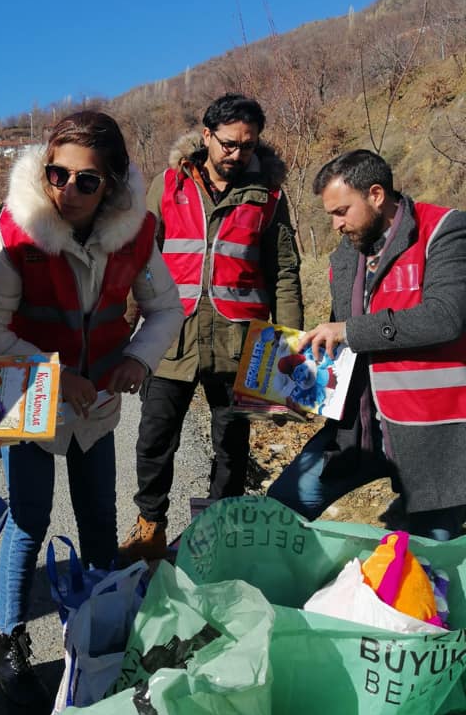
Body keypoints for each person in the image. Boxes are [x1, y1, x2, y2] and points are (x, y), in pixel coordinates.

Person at [0, 110, 183, 713]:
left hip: (98, 406)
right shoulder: (20, 232)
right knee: (28, 519)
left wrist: (138, 358)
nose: (67, 191)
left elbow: (166, 309)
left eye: (87, 181)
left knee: (97, 519)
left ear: (112, 183)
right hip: (32, 398)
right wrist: (54, 374)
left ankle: (95, 634)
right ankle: (10, 641)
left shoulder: (135, 233)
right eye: (57, 174)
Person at [118, 93, 303, 564]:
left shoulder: (269, 196)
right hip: (171, 338)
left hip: (238, 342)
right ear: (206, 136)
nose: (236, 154)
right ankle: (150, 527)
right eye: (228, 143)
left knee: (231, 444)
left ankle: (219, 529)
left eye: (247, 145)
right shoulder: (167, 185)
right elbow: (135, 259)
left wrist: (288, 347)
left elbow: (284, 271)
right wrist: (121, 329)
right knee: (155, 438)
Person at [267, 148, 466, 540]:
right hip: (357, 428)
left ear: (376, 194)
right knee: (281, 506)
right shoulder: (347, 255)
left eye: (342, 211)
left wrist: (350, 330)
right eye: (330, 215)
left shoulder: (444, 230)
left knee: (431, 559)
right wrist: (302, 388)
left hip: (433, 432)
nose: (336, 225)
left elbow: (446, 317)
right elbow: (345, 345)